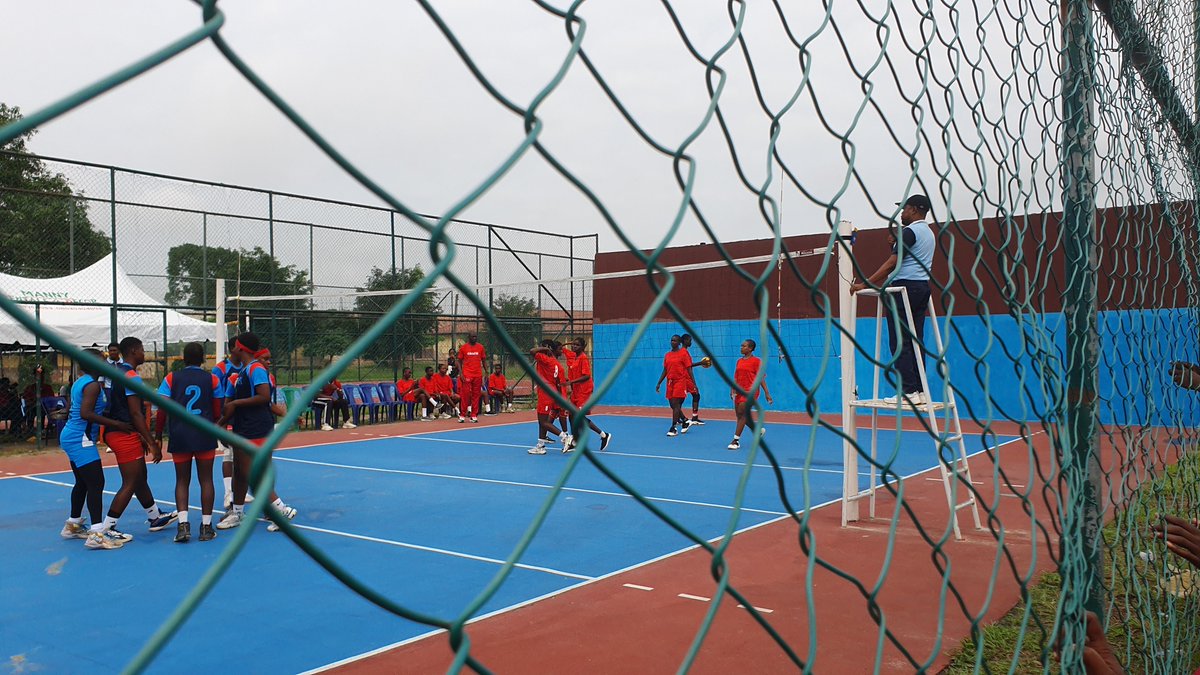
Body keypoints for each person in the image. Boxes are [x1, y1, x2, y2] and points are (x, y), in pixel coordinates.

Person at [850, 194, 935, 405]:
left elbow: (892, 264)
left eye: (904, 209)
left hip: (903, 289)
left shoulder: (910, 232)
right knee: (915, 341)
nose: (902, 213)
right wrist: (895, 245)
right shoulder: (928, 233)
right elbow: (909, 259)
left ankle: (908, 392)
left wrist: (865, 284)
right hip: (921, 287)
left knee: (899, 342)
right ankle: (920, 390)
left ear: (914, 210)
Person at [215, 332, 297, 533]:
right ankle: (238, 512)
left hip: (256, 427)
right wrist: (220, 424)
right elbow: (232, 405)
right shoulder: (243, 372)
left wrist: (236, 403)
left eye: (235, 345)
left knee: (253, 473)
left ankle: (281, 510)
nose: (232, 347)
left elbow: (264, 396)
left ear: (240, 348)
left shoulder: (256, 369)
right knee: (240, 472)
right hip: (245, 427)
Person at [99, 337, 179, 539]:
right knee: (131, 481)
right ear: (134, 351)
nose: (145, 354)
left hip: (117, 430)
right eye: (143, 350)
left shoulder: (116, 372)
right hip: (123, 433)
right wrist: (151, 441)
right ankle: (106, 529)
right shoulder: (131, 377)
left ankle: (154, 517)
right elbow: (135, 413)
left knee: (140, 476)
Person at [59, 349, 129, 550]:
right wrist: (116, 424)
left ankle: (72, 525)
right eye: (102, 360)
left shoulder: (81, 382)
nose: (106, 362)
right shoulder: (92, 386)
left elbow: (76, 409)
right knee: (96, 483)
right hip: (80, 438)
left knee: (82, 482)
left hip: (73, 435)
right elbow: (86, 413)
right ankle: (96, 535)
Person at [154, 343, 223, 543]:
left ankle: (183, 526)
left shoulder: (170, 378)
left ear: (183, 359)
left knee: (182, 480)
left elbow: (162, 409)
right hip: (204, 433)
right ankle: (206, 527)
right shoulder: (212, 379)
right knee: (206, 480)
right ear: (203, 359)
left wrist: (158, 434)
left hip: (179, 433)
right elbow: (218, 410)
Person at [213, 339, 251, 506]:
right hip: (226, 415)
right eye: (238, 346)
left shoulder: (246, 368)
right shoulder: (221, 368)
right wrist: (219, 420)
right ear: (232, 349)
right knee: (228, 454)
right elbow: (213, 391)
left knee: (240, 456)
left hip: (241, 416)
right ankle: (228, 493)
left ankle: (238, 491)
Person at [562, 338, 612, 450]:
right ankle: (575, 440)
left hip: (584, 391)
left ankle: (604, 435)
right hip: (576, 390)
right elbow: (561, 348)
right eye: (573, 344)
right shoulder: (574, 356)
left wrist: (571, 382)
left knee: (579, 416)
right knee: (571, 415)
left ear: (583, 347)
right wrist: (568, 343)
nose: (574, 346)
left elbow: (587, 376)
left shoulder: (583, 358)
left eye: (577, 345)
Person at [527, 340, 573, 455]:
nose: (540, 348)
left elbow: (531, 351)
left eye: (542, 347)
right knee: (542, 421)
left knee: (543, 422)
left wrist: (545, 349)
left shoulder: (545, 359)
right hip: (551, 392)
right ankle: (540, 445)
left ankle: (565, 437)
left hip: (545, 392)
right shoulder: (555, 362)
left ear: (547, 348)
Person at [727, 339, 773, 450]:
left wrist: (767, 393)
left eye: (744, 346)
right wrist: (732, 389)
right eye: (741, 345)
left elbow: (761, 378)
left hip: (751, 392)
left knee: (742, 414)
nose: (741, 347)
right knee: (739, 415)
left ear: (750, 348)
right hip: (739, 391)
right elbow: (736, 377)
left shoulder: (756, 361)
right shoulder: (739, 361)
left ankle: (735, 441)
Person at [655, 335, 693, 437]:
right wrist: (659, 382)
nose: (673, 342)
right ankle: (685, 420)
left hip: (680, 381)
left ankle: (673, 427)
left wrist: (694, 383)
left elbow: (689, 369)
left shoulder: (683, 353)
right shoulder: (668, 355)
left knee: (676, 403)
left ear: (679, 342)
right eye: (671, 340)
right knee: (672, 405)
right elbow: (665, 370)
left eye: (675, 341)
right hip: (670, 382)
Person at [456, 334, 487, 423]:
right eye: (473, 337)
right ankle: (462, 415)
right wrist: (461, 373)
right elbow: (459, 361)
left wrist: (486, 372)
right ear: (468, 338)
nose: (475, 338)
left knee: (476, 395)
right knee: (465, 395)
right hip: (467, 374)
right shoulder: (463, 348)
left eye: (475, 336)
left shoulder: (480, 347)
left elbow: (484, 360)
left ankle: (474, 415)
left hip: (478, 375)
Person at [680, 333, 705, 425]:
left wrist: (700, 363)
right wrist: (694, 383)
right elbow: (689, 368)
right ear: (685, 341)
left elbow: (689, 365)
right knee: (696, 395)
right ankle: (694, 417)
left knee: (679, 399)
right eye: (690, 340)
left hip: (683, 378)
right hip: (687, 378)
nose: (691, 342)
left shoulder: (682, 352)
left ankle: (679, 417)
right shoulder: (684, 352)